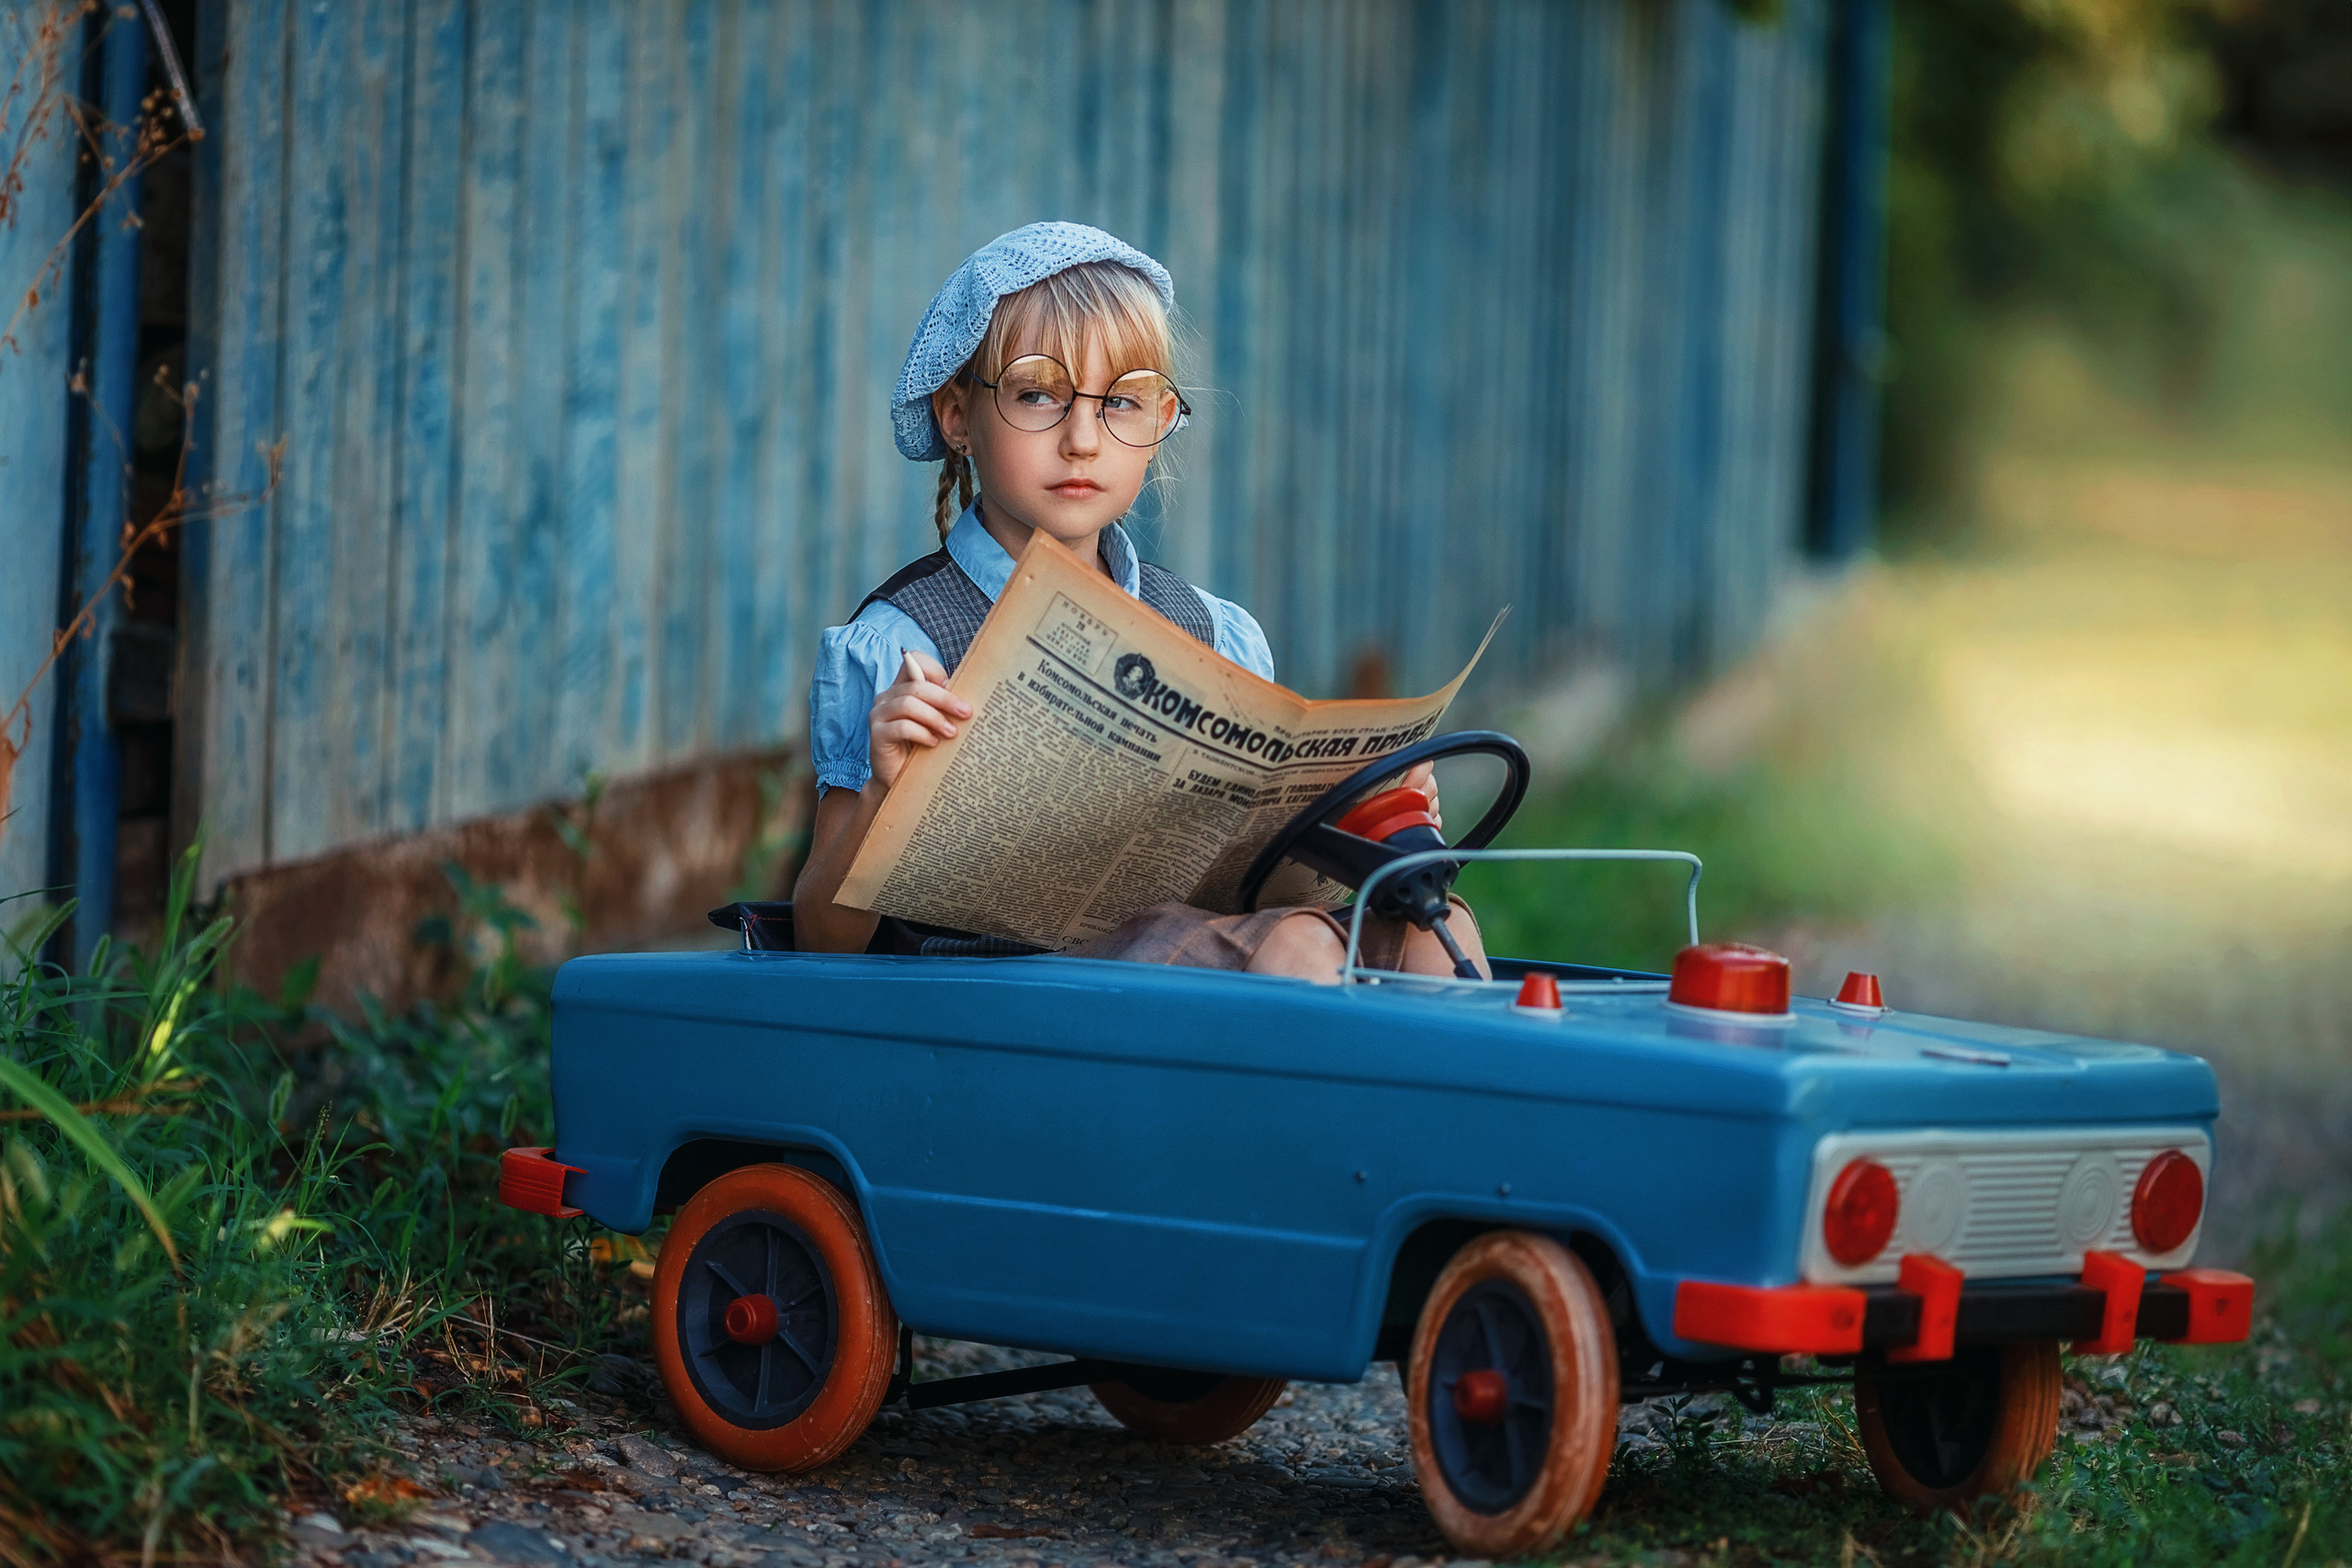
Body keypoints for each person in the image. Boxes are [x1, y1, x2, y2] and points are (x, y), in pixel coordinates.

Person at [791, 222, 1484, 983]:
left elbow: (1257, 865)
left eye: (1122, 402)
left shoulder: (1212, 631)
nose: (1083, 438)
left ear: (1159, 426)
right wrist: (885, 792)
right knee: (1299, 951)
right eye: (1035, 394)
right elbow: (822, 940)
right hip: (1008, 1001)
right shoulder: (901, 644)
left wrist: (1372, 821)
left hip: (1185, 956)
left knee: (1436, 926)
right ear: (958, 416)